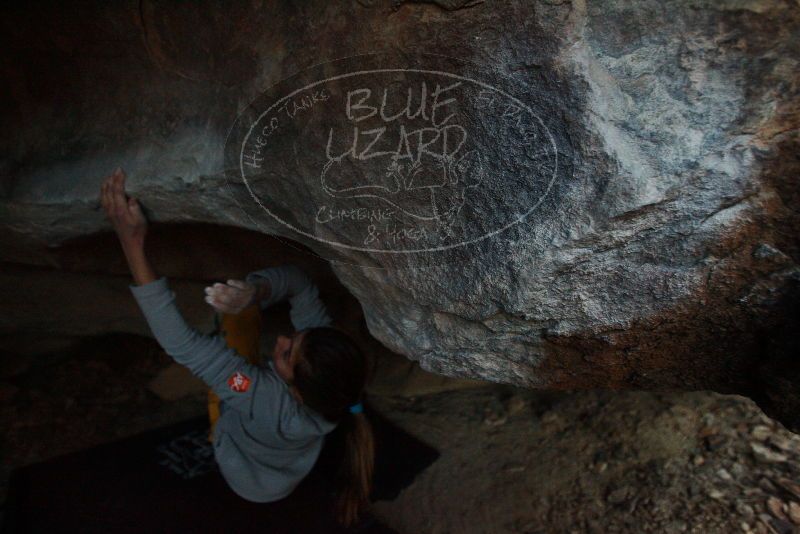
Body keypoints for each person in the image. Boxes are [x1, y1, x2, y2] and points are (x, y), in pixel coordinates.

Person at [99, 167, 375, 527]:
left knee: (231, 342)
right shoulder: (330, 377)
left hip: (242, 470)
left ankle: (223, 423)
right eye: (295, 337)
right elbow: (301, 285)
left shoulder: (253, 393)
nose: (281, 339)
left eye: (286, 353)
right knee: (241, 314)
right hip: (286, 465)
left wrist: (131, 242)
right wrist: (255, 292)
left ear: (297, 391)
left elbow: (182, 345)